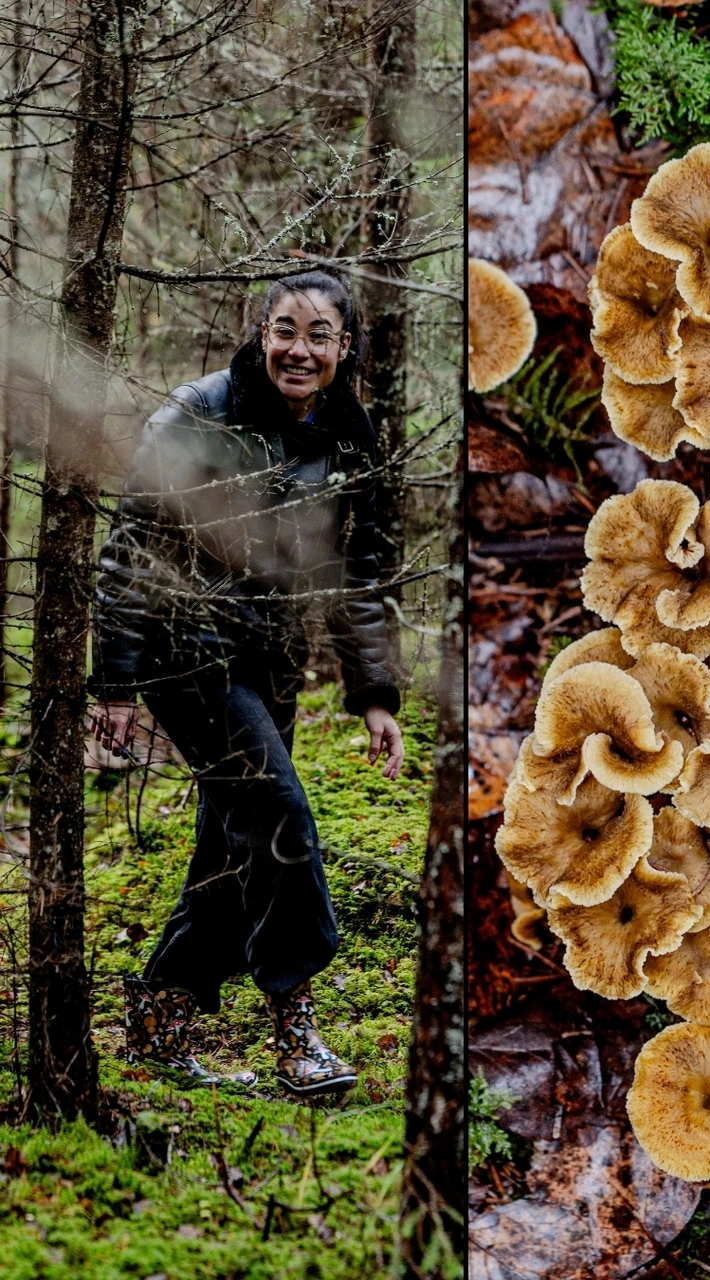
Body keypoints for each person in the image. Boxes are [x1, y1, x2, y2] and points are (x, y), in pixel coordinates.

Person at [88, 269, 404, 1097]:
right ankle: (296, 1028)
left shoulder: (347, 435)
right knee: (278, 817)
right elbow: (131, 548)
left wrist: (374, 695)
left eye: (319, 335)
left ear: (345, 347)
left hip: (271, 661)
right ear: (259, 332)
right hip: (184, 652)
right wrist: (114, 683)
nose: (300, 350)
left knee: (232, 842)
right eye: (286, 330)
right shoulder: (199, 414)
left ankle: (159, 1018)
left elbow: (360, 573)